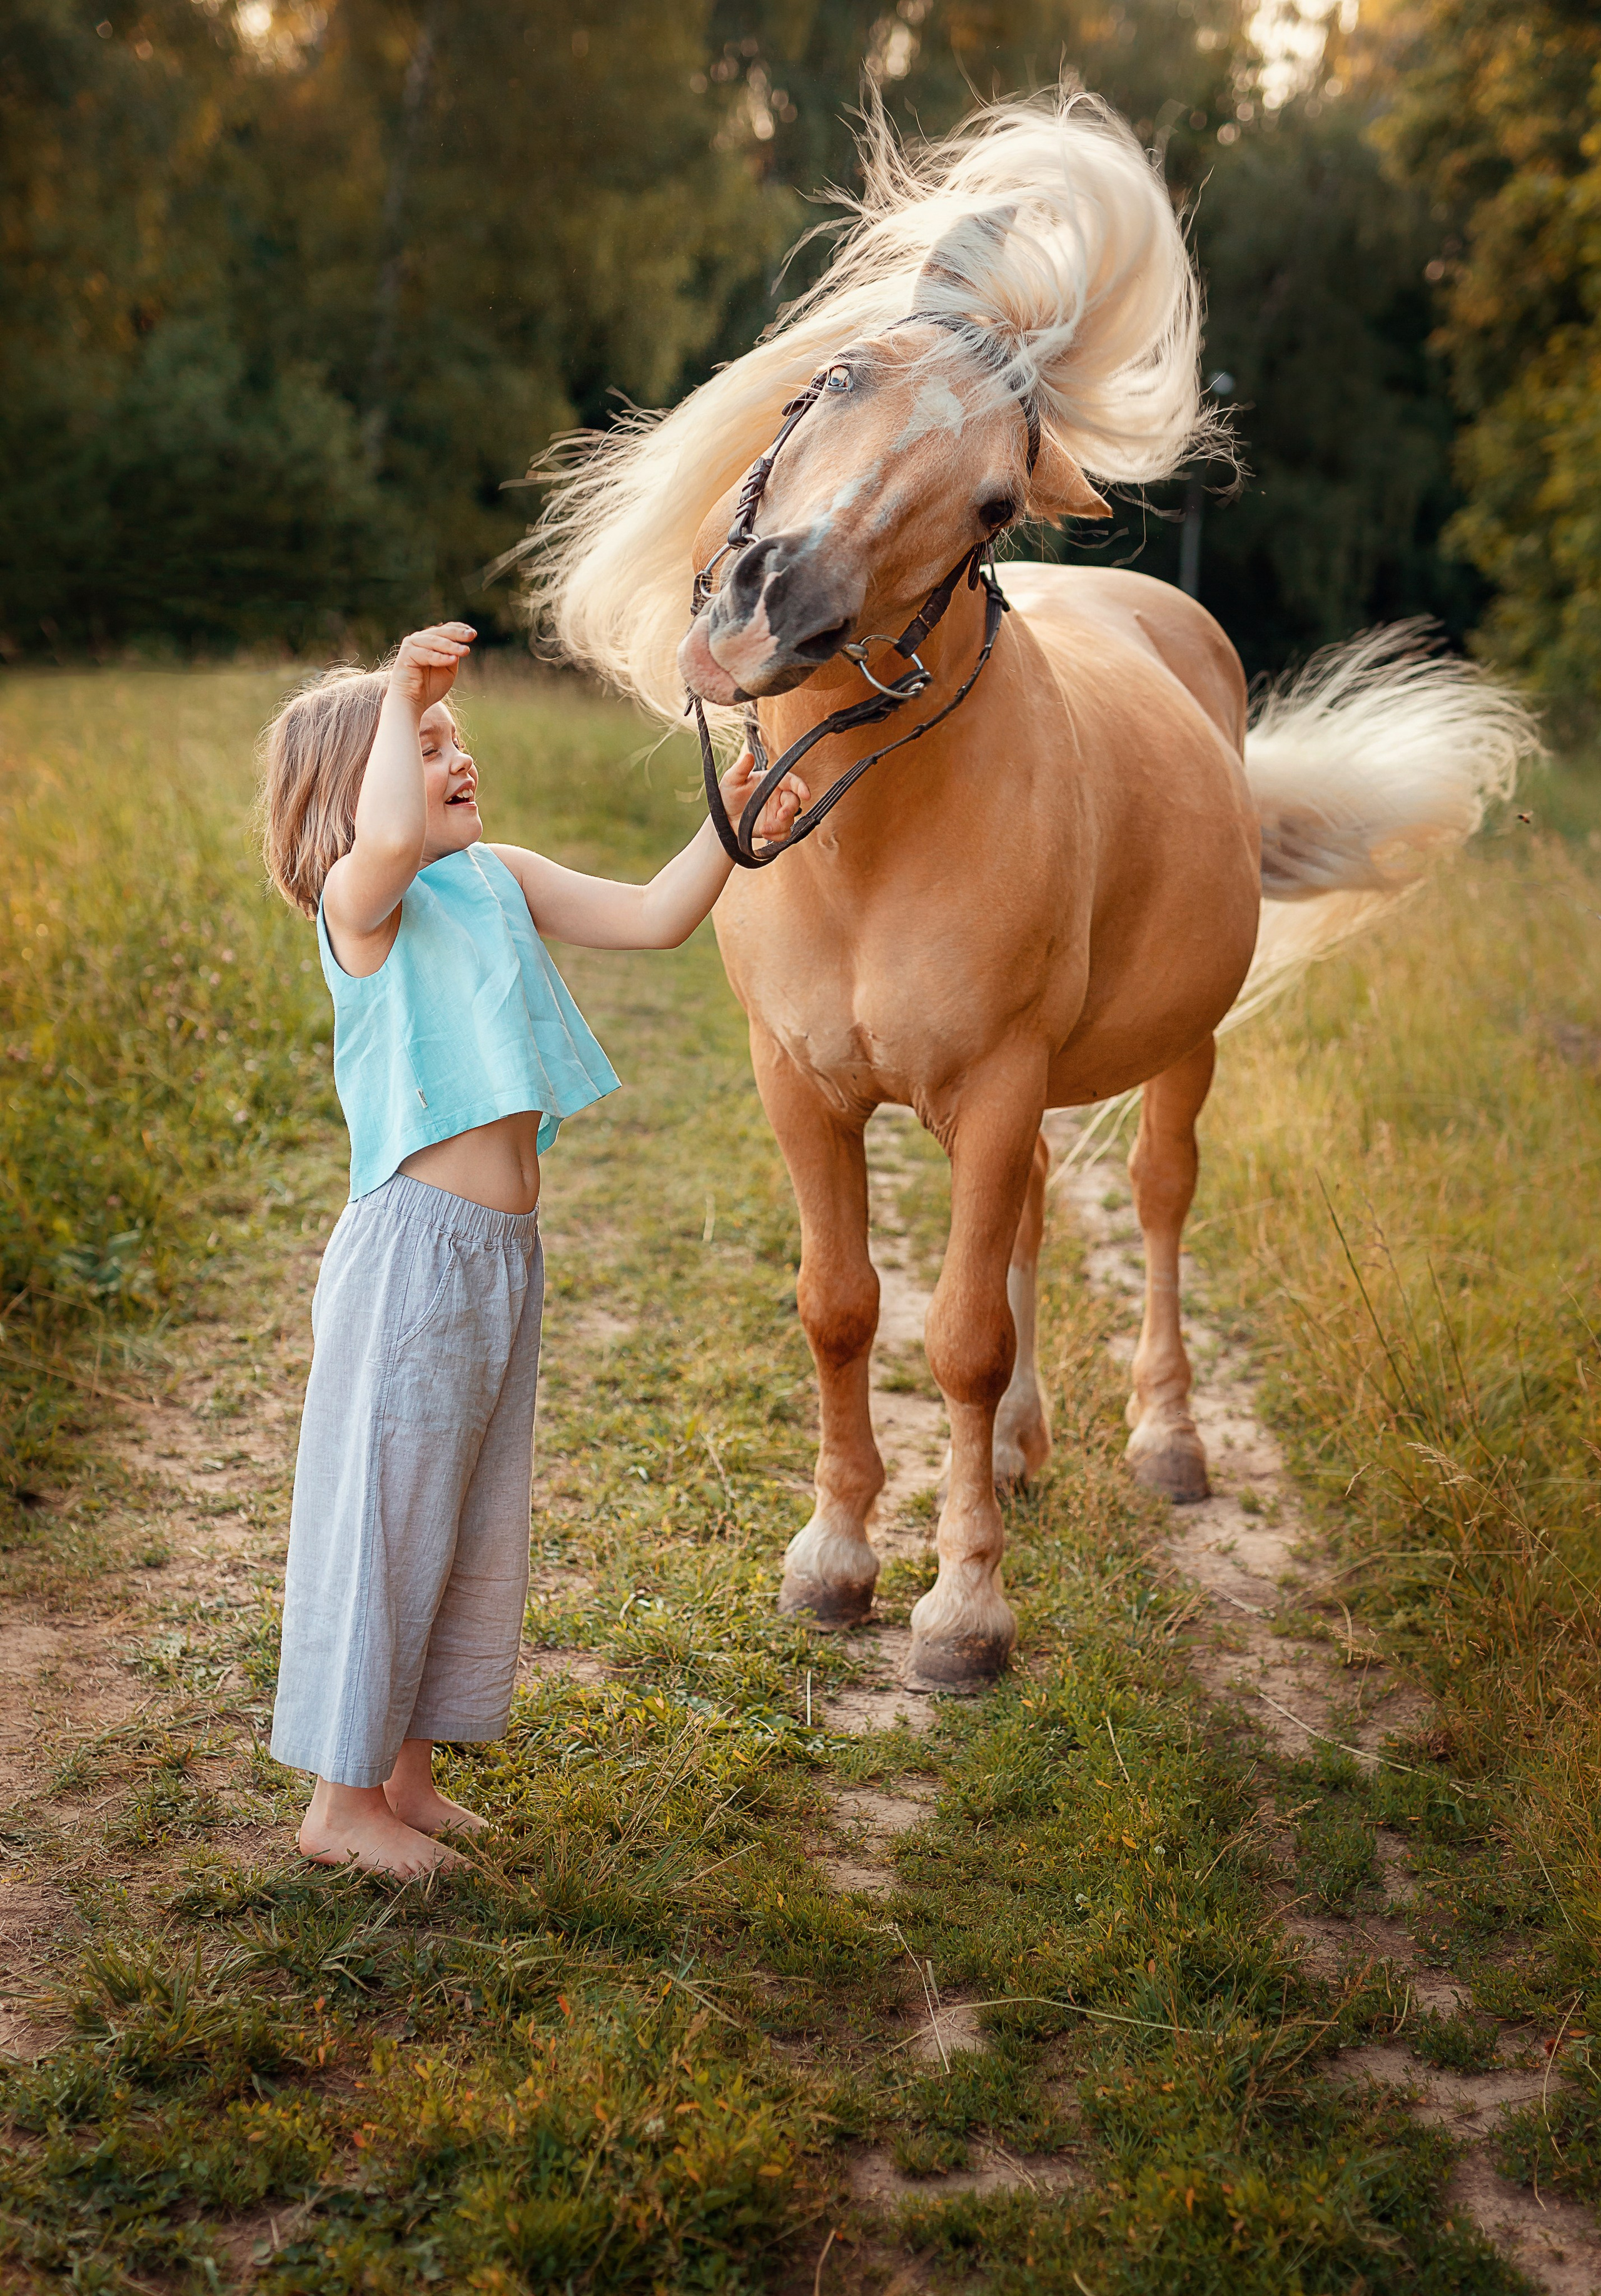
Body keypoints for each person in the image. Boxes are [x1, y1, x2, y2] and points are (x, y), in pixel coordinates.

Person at [258, 622, 804, 1876]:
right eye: (425, 747)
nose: (455, 759)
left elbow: (658, 917)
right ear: (348, 803)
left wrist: (731, 813)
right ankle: (338, 1809)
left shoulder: (494, 875)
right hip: (412, 1256)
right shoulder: (362, 906)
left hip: (501, 1258)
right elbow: (390, 834)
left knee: (460, 1518)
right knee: (389, 1518)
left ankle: (406, 1780)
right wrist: (399, 692)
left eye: (456, 740)